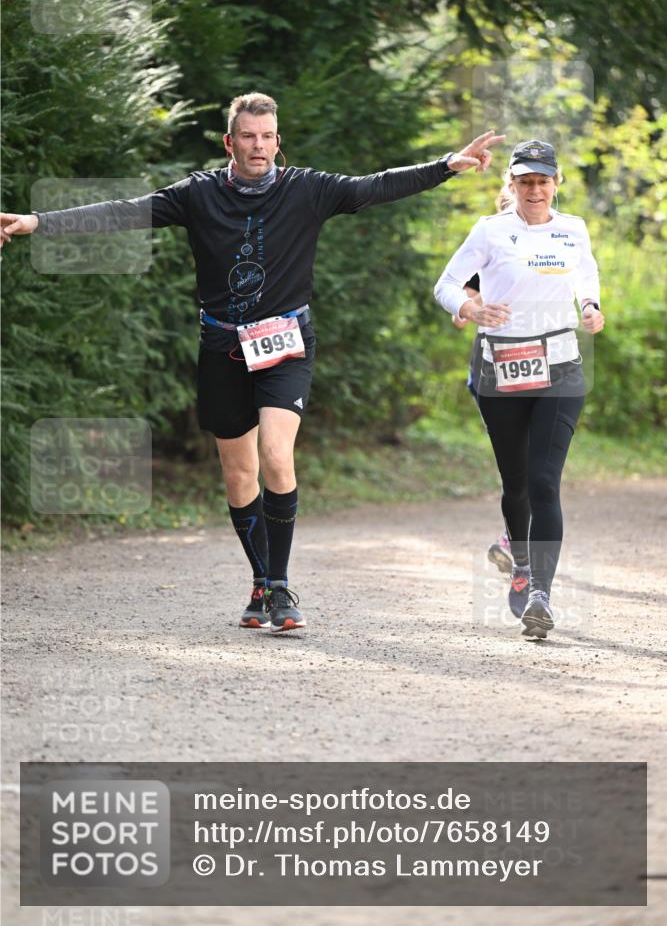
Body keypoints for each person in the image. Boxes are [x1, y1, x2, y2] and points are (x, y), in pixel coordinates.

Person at [1, 92, 505, 634]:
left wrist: (447, 166)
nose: (258, 146)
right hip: (222, 347)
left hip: (286, 344)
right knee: (239, 475)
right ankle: (261, 580)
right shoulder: (197, 195)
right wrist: (35, 222)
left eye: (267, 137)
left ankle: (282, 586)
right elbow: (124, 212)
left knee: (275, 454)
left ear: (277, 141)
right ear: (230, 142)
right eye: (248, 136)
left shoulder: (306, 190)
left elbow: (375, 186)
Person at [434, 139, 605, 638]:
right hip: (500, 366)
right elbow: (446, 283)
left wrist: (590, 304)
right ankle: (522, 561)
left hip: (560, 365)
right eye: (525, 181)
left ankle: (540, 595)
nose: (534, 189)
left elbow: (586, 272)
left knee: (544, 481)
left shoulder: (572, 229)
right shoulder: (490, 232)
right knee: (517, 484)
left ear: (555, 185)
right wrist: (468, 308)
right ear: (511, 185)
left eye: (543, 181)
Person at [451, 273, 514, 576]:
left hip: (547, 361)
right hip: (493, 363)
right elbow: (466, 299)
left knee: (532, 457)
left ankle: (518, 541)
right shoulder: (490, 234)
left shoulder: (561, 237)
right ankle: (517, 540)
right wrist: (469, 306)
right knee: (514, 457)